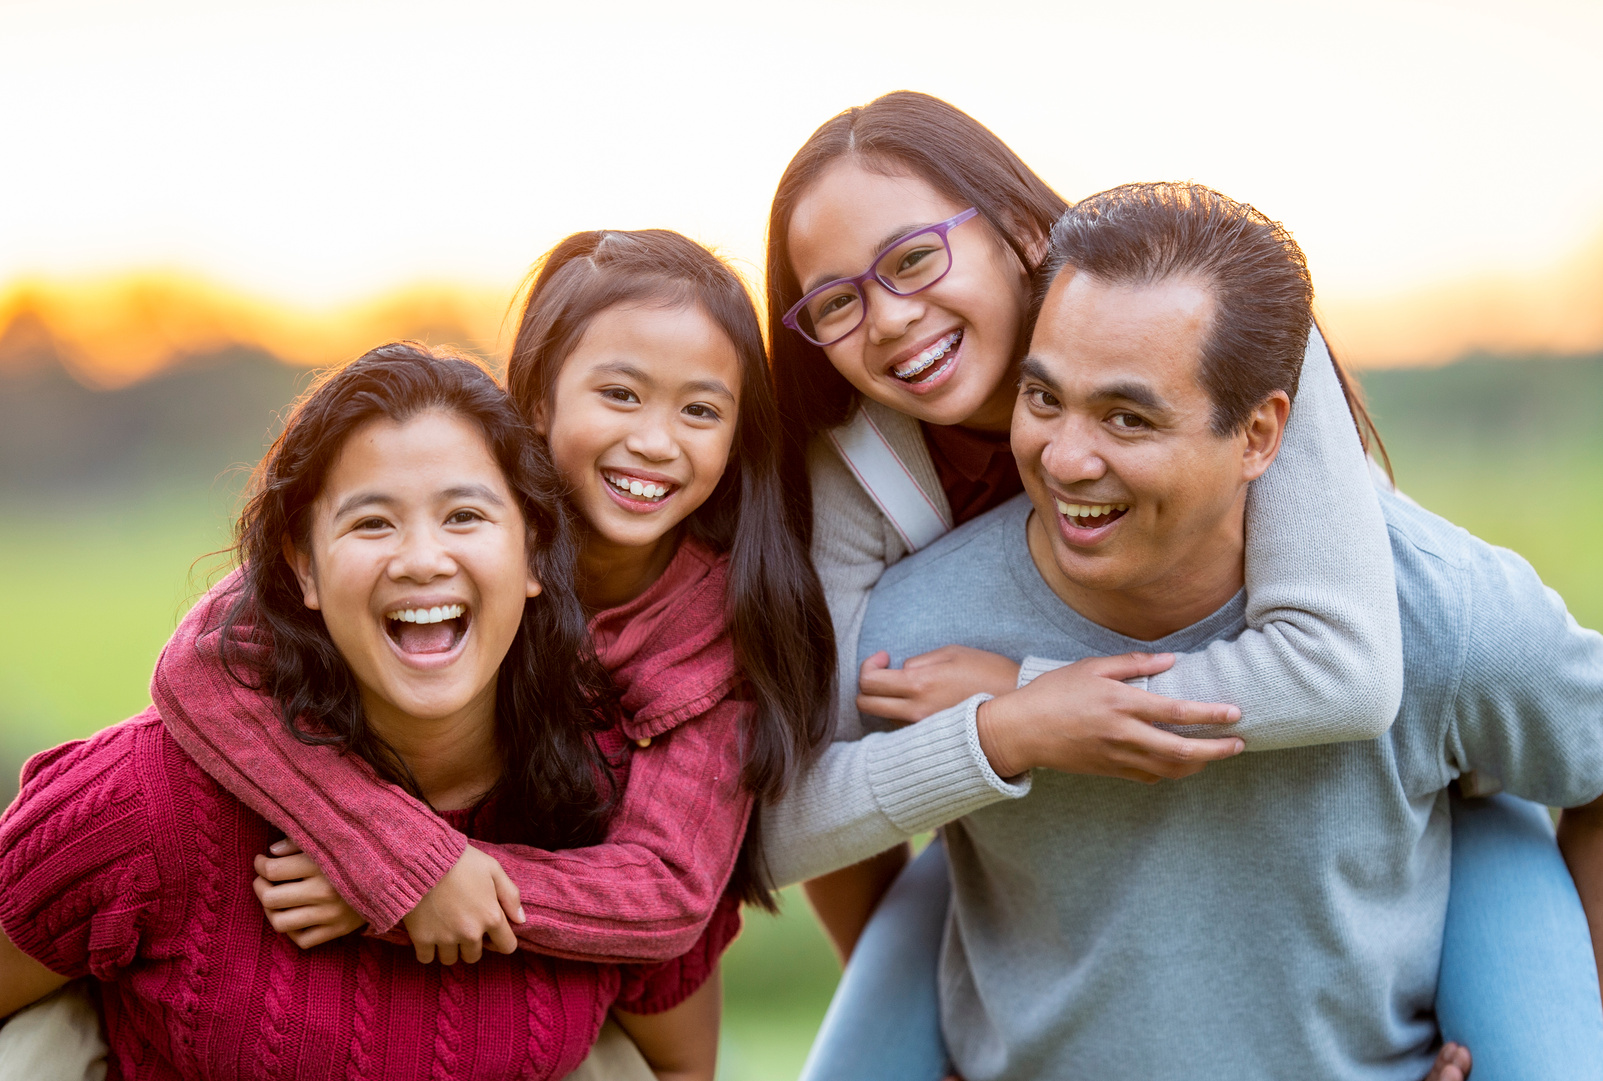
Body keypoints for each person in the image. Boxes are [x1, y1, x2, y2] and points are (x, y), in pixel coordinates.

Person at [814, 183, 1603, 1079]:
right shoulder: (921, 632)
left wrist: (1550, 1029)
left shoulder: (1441, 615)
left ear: (1262, 432)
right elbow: (795, 811)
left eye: (1127, 416)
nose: (1066, 460)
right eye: (1042, 399)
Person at [757, 91, 1408, 954]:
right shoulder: (856, 466)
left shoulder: (1205, 322)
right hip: (1057, 888)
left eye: (912, 259)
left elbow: (1347, 672)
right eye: (836, 303)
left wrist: (1026, 690)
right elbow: (788, 818)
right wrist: (1004, 732)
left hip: (1386, 798)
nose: (889, 318)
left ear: (1022, 229)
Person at [0, 344, 736, 1079]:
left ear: (538, 553)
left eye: (464, 515)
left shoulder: (612, 807)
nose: (421, 558)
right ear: (303, 566)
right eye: (372, 523)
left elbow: (677, 1067)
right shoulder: (148, 802)